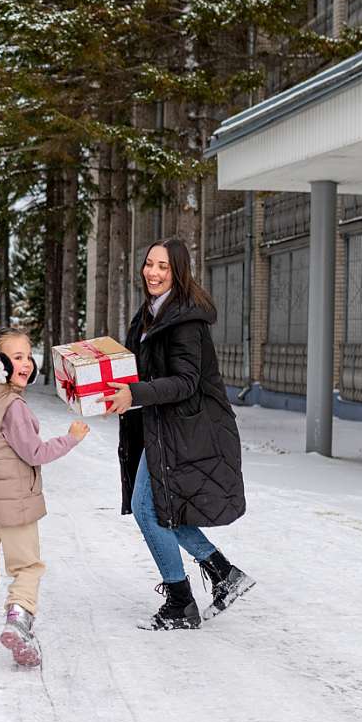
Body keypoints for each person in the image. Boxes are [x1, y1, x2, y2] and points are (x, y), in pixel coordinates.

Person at [104, 237, 255, 630]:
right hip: (162, 426)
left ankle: (181, 602)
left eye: (163, 267)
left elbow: (186, 382)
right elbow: (137, 366)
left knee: (146, 509)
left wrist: (134, 393)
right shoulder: (151, 313)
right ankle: (223, 575)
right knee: (162, 507)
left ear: (178, 272)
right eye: (149, 264)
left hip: (190, 428)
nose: (152, 272)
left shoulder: (184, 320)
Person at [0, 327, 89, 666]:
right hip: (15, 507)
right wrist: (70, 438)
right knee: (27, 566)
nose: (26, 362)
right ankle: (18, 621)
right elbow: (35, 453)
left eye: (29, 355)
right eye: (17, 357)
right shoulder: (12, 405)